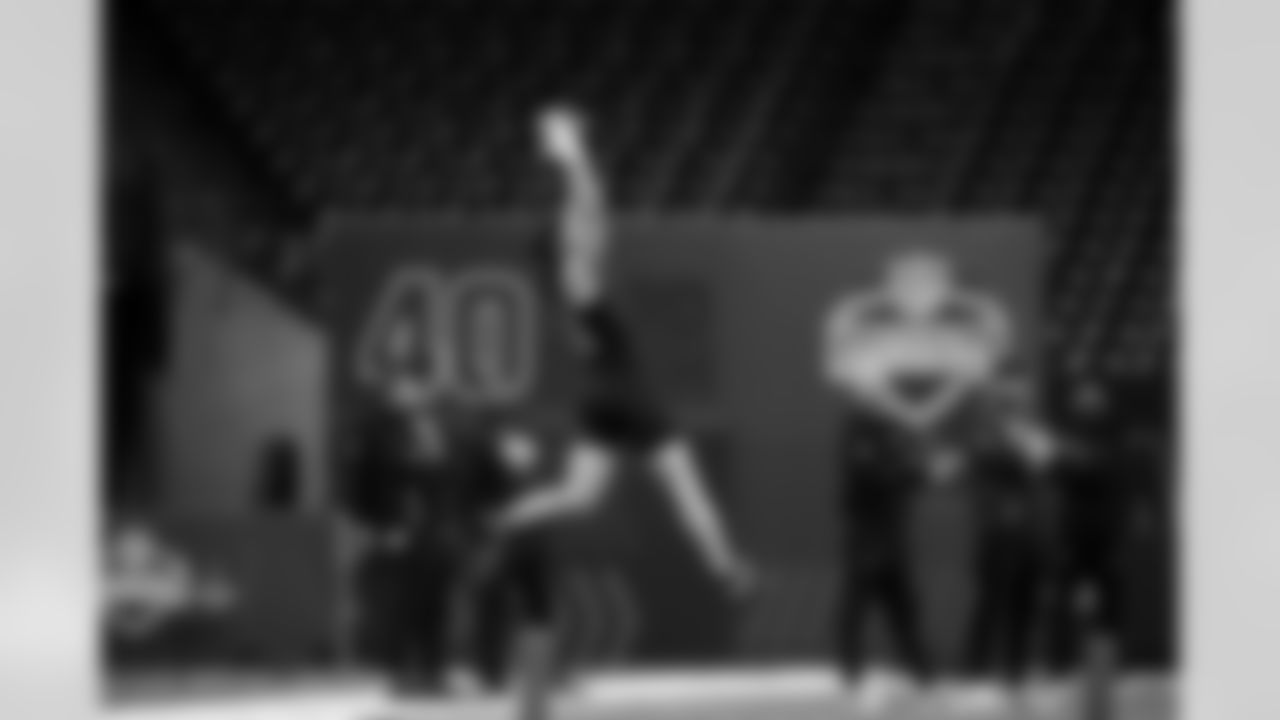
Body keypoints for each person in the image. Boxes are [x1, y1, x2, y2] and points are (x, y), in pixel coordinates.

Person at [483, 104, 755, 720]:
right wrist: (572, 151)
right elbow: (591, 205)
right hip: (632, 398)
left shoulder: (558, 296)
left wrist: (572, 177)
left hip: (597, 401)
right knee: (689, 493)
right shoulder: (576, 281)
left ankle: (501, 518)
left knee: (578, 496)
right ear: (563, 248)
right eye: (571, 237)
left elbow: (584, 222)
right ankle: (727, 567)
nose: (583, 236)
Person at [821, 250, 1014, 716]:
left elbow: (908, 468)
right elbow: (874, 474)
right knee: (856, 609)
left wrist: (941, 468)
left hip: (891, 540)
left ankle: (924, 681)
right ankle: (851, 683)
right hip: (867, 541)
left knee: (903, 611)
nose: (881, 389)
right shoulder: (859, 429)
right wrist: (922, 471)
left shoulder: (888, 431)